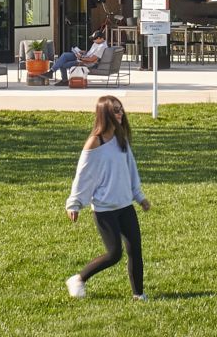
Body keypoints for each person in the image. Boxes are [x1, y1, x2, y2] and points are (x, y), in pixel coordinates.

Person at [63, 94, 151, 301]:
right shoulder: (95, 142)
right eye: (115, 110)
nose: (120, 114)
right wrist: (74, 204)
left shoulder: (121, 139)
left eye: (121, 110)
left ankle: (138, 295)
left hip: (125, 205)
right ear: (104, 113)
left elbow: (131, 170)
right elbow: (83, 175)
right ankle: (78, 279)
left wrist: (139, 196)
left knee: (135, 250)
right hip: (105, 210)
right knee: (114, 254)